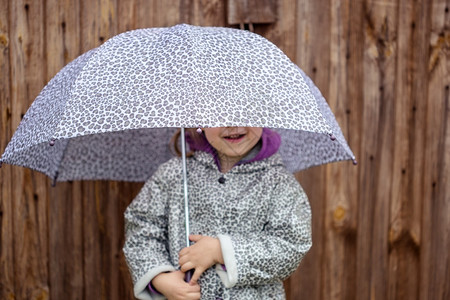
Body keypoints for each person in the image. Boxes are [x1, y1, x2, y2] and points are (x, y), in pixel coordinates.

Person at [123, 127, 312, 300]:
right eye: (220, 115)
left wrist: (222, 251)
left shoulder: (279, 184)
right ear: (200, 122)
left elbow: (291, 244)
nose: (234, 123)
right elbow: (141, 228)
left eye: (245, 111)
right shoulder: (174, 175)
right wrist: (160, 278)